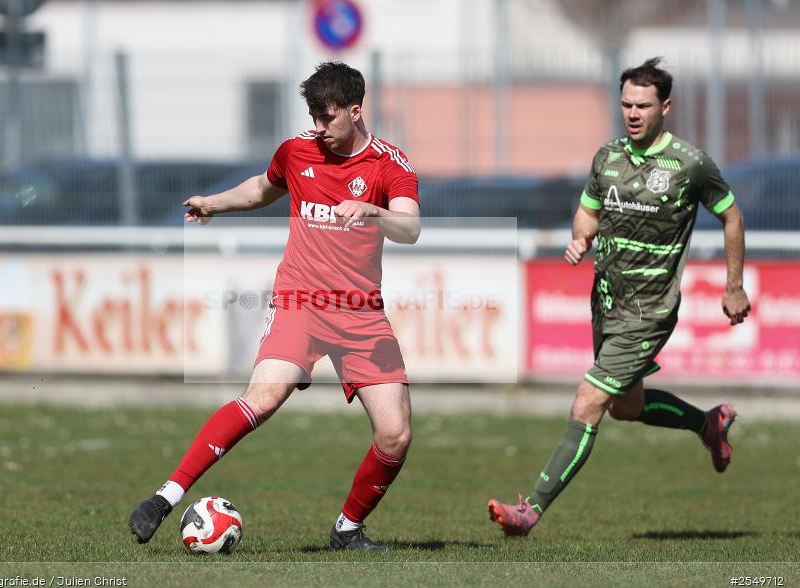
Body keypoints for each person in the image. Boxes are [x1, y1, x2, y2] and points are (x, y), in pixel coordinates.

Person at [129, 62, 421, 551]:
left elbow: (410, 228)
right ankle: (165, 496)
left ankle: (347, 531)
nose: (319, 127)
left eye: (328, 117)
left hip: (360, 311)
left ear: (355, 110)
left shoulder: (390, 164)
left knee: (396, 435)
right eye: (313, 116)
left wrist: (374, 210)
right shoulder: (297, 151)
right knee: (263, 397)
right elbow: (263, 187)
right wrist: (215, 204)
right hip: (300, 300)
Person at [487, 57, 751, 536]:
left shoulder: (689, 164)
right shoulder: (607, 156)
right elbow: (588, 212)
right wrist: (581, 237)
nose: (632, 113)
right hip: (606, 303)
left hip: (650, 311)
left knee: (588, 401)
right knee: (627, 406)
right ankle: (708, 424)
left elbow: (732, 215)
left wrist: (733, 286)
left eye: (643, 106)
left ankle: (530, 511)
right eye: (626, 104)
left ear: (665, 107)